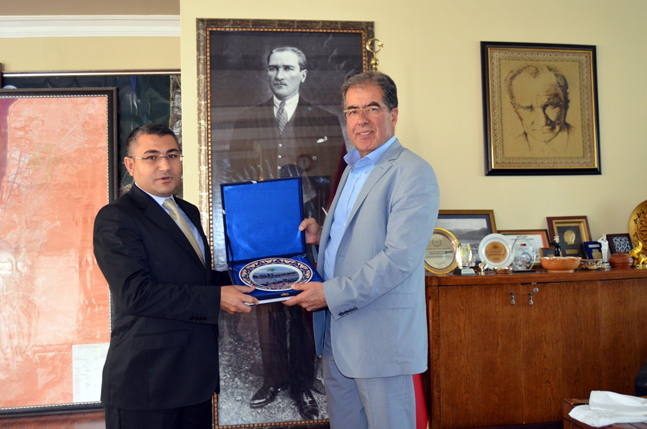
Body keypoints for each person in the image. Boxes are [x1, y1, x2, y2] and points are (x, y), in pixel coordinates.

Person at [285, 71, 440, 429]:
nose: (362, 119)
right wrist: (321, 236)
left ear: (393, 114)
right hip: (338, 338)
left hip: (381, 342)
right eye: (353, 111)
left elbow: (398, 259)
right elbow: (359, 236)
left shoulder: (413, 172)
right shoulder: (353, 168)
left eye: (372, 108)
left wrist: (329, 294)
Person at [93, 123, 258, 429]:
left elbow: (196, 280)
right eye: (151, 157)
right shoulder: (117, 217)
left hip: (193, 380)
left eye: (172, 155)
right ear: (130, 165)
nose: (165, 166)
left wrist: (252, 277)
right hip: (147, 384)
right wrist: (216, 298)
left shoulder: (187, 211)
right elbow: (136, 294)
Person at [228, 46, 346, 421]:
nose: (280, 75)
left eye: (288, 68)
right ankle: (273, 378)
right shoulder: (248, 119)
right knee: (268, 304)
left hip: (306, 227)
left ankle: (302, 382)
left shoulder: (324, 120)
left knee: (303, 303)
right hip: (263, 228)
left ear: (303, 74)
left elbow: (336, 182)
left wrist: (322, 224)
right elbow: (236, 174)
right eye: (274, 68)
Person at [504, 64, 582, 158]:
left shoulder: (584, 142)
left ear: (566, 102)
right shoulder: (508, 148)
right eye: (528, 108)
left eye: (550, 105)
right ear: (514, 107)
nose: (542, 121)